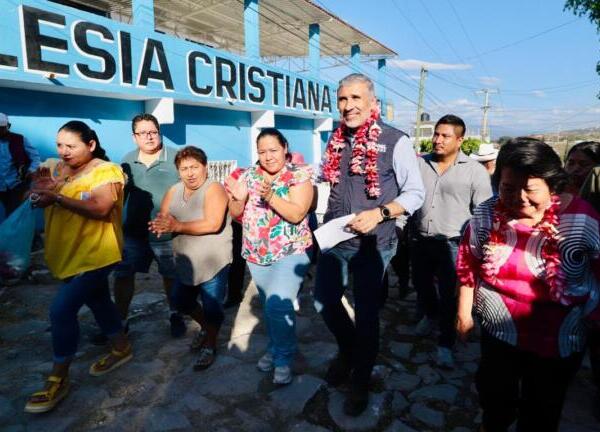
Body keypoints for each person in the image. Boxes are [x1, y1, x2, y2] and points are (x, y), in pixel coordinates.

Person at [456, 137, 600, 431]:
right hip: (500, 332)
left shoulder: (584, 220)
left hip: (560, 338)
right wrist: (463, 312)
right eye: (509, 188)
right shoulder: (487, 213)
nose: (520, 198)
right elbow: (468, 262)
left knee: (542, 410)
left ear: (553, 184)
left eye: (531, 190)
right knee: (494, 397)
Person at [314, 73, 425, 416]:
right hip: (336, 239)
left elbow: (415, 194)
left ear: (372, 103)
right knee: (324, 302)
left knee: (366, 315)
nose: (348, 106)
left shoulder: (395, 140)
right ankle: (349, 352)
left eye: (355, 98)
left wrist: (380, 213)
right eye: (343, 99)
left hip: (374, 243)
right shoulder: (334, 139)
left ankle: (360, 378)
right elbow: (326, 183)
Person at [24, 121, 131, 413]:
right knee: (99, 300)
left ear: (91, 145)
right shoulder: (56, 169)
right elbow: (36, 199)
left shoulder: (105, 170)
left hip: (96, 253)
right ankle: (121, 347)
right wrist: (38, 194)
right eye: (60, 145)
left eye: (71, 146)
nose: (64, 152)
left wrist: (58, 196)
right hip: (66, 252)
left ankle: (58, 378)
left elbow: (100, 208)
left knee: (61, 310)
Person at [227, 128, 313, 386]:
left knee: (278, 305)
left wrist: (271, 196)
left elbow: (297, 214)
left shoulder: (299, 175)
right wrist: (238, 199)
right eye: (262, 151)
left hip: (291, 251)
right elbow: (234, 213)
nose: (268, 156)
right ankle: (276, 348)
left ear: (285, 148)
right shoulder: (248, 175)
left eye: (273, 150)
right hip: (255, 252)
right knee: (269, 307)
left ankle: (284, 357)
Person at [411, 114, 492, 368]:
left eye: (445, 136)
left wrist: (478, 248)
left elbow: (483, 212)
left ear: (460, 140)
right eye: (436, 134)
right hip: (420, 239)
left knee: (450, 296)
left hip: (453, 245)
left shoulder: (475, 171)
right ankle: (430, 315)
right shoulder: (419, 165)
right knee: (421, 285)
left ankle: (445, 343)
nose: (437, 140)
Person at [149, 146, 232, 370]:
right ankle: (206, 327)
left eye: (195, 167)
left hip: (213, 259)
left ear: (205, 167)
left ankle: (211, 344)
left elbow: (213, 224)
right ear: (178, 171)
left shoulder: (214, 188)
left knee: (212, 306)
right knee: (181, 300)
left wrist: (177, 225)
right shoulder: (173, 190)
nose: (190, 173)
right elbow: (165, 217)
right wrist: (160, 225)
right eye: (184, 168)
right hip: (186, 259)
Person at [104, 113, 183, 343]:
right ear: (134, 137)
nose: (149, 136)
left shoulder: (176, 157)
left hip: (167, 233)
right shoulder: (127, 161)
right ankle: (120, 321)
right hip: (134, 233)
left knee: (170, 275)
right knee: (123, 274)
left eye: (153, 131)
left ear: (159, 132)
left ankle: (175, 314)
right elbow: (119, 195)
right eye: (143, 133)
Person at [0, 112, 40, 216]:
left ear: (8, 126)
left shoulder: (20, 139)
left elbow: (35, 157)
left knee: (14, 214)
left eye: (2, 128)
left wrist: (31, 170)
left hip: (16, 184)